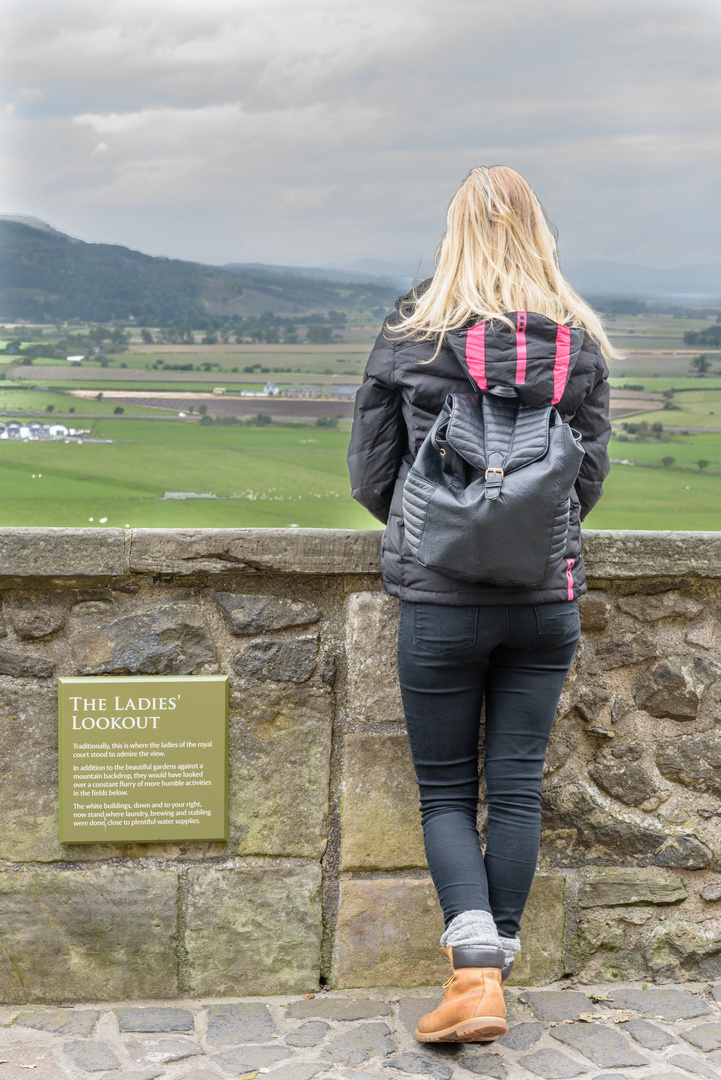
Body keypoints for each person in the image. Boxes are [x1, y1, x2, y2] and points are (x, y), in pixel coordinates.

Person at [347, 166, 615, 1043]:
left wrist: (446, 537)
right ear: (537, 230)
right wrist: (524, 541)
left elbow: (371, 473)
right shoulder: (576, 338)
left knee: (444, 794)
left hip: (439, 599)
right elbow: (588, 479)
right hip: (546, 602)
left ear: (453, 230)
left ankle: (475, 979)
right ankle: (489, 976)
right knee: (518, 791)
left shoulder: (411, 327)